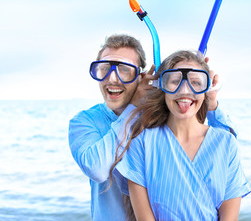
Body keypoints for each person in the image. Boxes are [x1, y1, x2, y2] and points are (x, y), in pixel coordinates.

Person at [68, 35, 239, 220]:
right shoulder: (84, 121)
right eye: (104, 69)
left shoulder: (158, 117)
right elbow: (97, 169)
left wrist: (208, 97)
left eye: (124, 70)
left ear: (142, 76)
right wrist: (133, 108)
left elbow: (223, 154)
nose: (113, 78)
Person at [111, 50, 251, 220]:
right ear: (161, 87)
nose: (185, 90)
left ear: (206, 88)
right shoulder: (141, 143)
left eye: (195, 82)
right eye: (175, 81)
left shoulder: (226, 143)